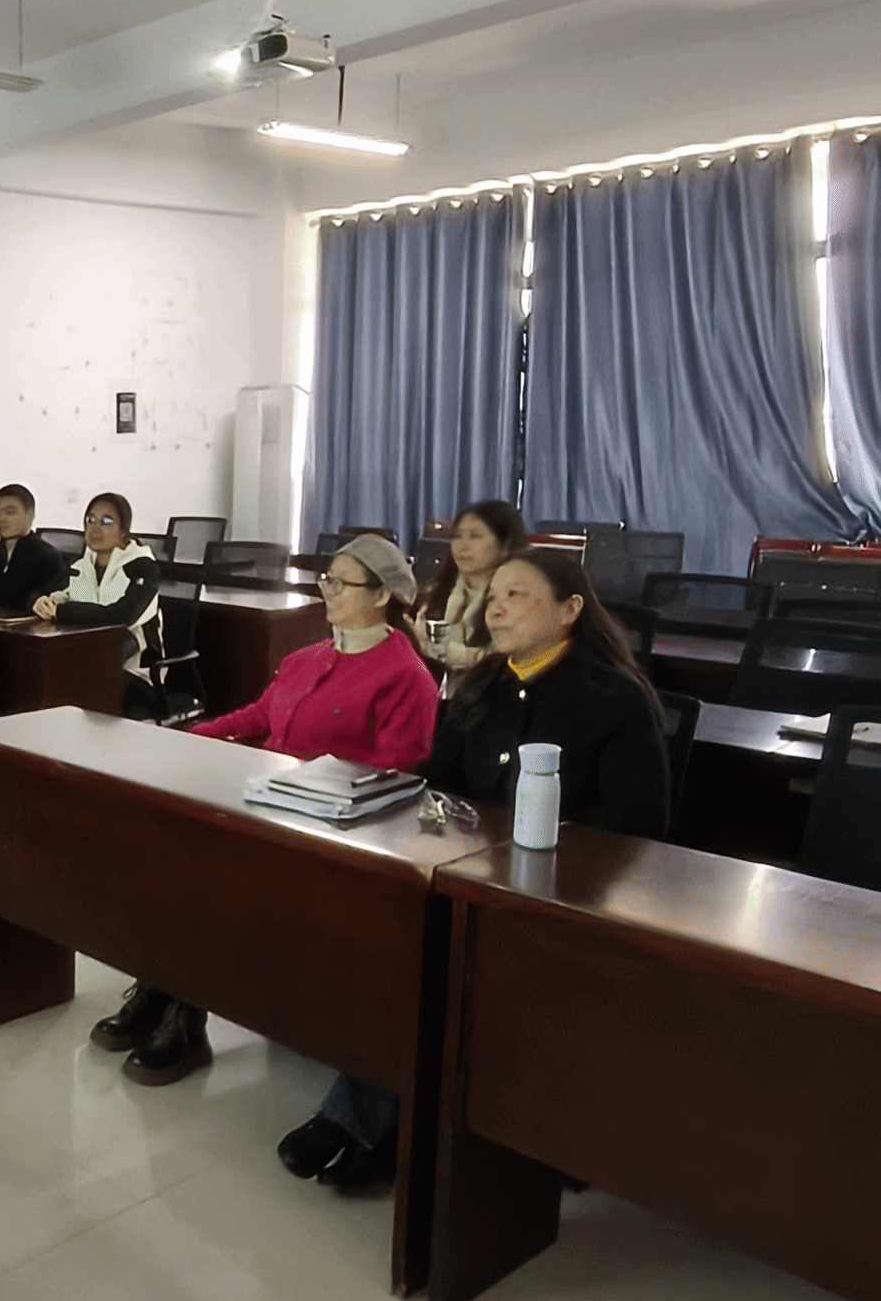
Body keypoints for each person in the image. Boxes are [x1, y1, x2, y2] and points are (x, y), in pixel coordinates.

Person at [276, 548, 669, 1190]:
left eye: (517, 595)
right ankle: (378, 1118)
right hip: (479, 882)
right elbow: (440, 781)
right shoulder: (483, 685)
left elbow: (638, 826)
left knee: (445, 964)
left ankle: (362, 1123)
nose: (497, 607)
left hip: (570, 900)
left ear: (569, 609)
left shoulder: (614, 697)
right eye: (494, 596)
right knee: (398, 935)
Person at [92, 535, 440, 1087]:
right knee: (167, 853)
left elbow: (395, 777)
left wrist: (309, 792)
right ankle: (160, 985)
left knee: (211, 878)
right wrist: (188, 738)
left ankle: (186, 1013)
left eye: (341, 582)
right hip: (267, 807)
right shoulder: (308, 657)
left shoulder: (406, 677)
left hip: (330, 834)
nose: (327, 590)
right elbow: (259, 715)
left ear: (381, 595)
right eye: (326, 578)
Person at [32, 492, 163, 720]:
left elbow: (122, 616)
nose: (95, 528)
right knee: (44, 674)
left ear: (124, 530)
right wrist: (43, 602)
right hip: (88, 655)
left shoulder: (143, 568)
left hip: (134, 670)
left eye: (106, 522)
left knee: (74, 683)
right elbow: (60, 593)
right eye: (90, 520)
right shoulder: (83, 564)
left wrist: (63, 612)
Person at [409, 501, 527, 675]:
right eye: (457, 536)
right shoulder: (438, 593)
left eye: (475, 536)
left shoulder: (518, 601)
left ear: (505, 546)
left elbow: (508, 662)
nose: (462, 546)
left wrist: (446, 652)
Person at [0, 483, 65, 613]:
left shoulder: (47, 557)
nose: (1, 519)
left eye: (10, 512)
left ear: (30, 515)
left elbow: (44, 606)